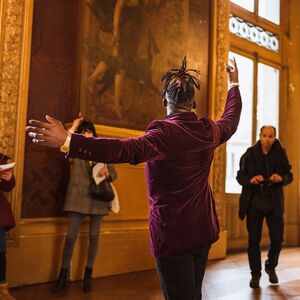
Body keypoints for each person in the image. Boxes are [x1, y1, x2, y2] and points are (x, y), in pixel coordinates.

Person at [26, 57, 241, 299]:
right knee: (192, 294)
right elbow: (231, 120)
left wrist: (68, 141)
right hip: (202, 230)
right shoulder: (209, 130)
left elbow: (122, 150)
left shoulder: (163, 134)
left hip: (173, 235)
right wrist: (234, 85)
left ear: (164, 101)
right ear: (193, 102)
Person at [52, 118, 117, 293]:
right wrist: (73, 127)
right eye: (84, 131)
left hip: (98, 199)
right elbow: (64, 143)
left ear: (94, 134)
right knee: (70, 238)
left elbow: (113, 173)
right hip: (77, 197)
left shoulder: (102, 150)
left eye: (90, 131)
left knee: (94, 238)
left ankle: (88, 275)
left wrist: (107, 172)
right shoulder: (76, 150)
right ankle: (62, 276)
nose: (87, 133)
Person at [236, 126, 293, 289]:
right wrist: (251, 180)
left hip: (274, 203)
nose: (267, 139)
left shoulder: (281, 153)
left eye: (271, 136)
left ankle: (270, 266)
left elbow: (290, 175)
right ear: (259, 136)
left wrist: (281, 178)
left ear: (275, 137)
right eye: (265, 136)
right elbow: (240, 176)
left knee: (277, 239)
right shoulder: (249, 153)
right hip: (254, 203)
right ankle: (255, 274)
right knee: (253, 241)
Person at [0, 154, 16, 300]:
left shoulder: (1, 158)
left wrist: (8, 178)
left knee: (0, 253)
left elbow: (9, 186)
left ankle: (2, 290)